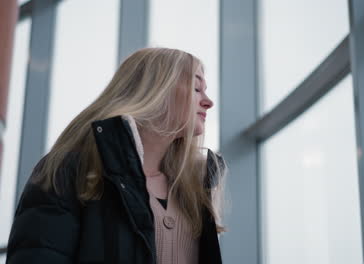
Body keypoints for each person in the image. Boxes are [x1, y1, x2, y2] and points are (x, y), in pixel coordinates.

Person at [6, 47, 227, 264]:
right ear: (154, 90)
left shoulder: (196, 189)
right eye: (197, 88)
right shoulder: (71, 170)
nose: (208, 101)